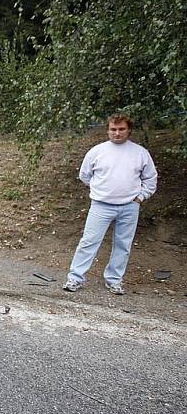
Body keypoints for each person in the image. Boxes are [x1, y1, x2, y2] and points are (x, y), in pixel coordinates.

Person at [63, 113, 158, 295]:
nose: (117, 133)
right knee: (89, 242)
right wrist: (101, 190)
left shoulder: (140, 153)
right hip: (101, 206)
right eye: (113, 129)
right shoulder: (97, 151)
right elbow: (85, 175)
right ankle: (75, 278)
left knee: (123, 245)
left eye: (121, 129)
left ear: (128, 130)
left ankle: (114, 280)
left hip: (129, 206)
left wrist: (140, 197)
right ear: (107, 130)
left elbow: (150, 178)